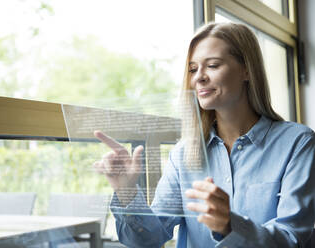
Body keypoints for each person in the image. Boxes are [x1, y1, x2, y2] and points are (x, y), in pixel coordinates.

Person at [93, 22, 315, 248]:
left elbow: (292, 238)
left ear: (246, 69)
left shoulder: (298, 144)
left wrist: (231, 226)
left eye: (213, 65)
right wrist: (127, 192)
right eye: (193, 69)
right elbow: (147, 239)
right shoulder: (183, 154)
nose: (199, 78)